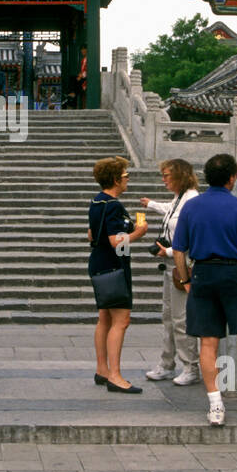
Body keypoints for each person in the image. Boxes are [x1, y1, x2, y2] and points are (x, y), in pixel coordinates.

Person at [172, 154, 237, 427]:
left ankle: (215, 406)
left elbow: (179, 250)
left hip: (203, 274)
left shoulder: (192, 208)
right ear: (232, 178)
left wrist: (186, 279)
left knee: (208, 343)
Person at [89, 156, 147, 392]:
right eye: (124, 176)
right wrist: (138, 233)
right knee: (121, 320)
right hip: (114, 265)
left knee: (105, 317)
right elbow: (117, 242)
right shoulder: (113, 205)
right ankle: (115, 375)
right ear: (115, 179)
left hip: (99, 262)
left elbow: (91, 236)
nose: (127, 179)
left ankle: (102, 369)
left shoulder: (97, 201)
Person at [141, 159, 201, 386]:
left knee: (181, 319)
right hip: (169, 266)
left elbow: (192, 237)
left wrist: (167, 251)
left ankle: (190, 365)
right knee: (168, 317)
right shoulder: (178, 198)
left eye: (167, 176)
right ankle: (167, 363)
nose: (164, 180)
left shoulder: (192, 199)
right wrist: (152, 204)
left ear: (180, 176)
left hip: (182, 265)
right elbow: (169, 210)